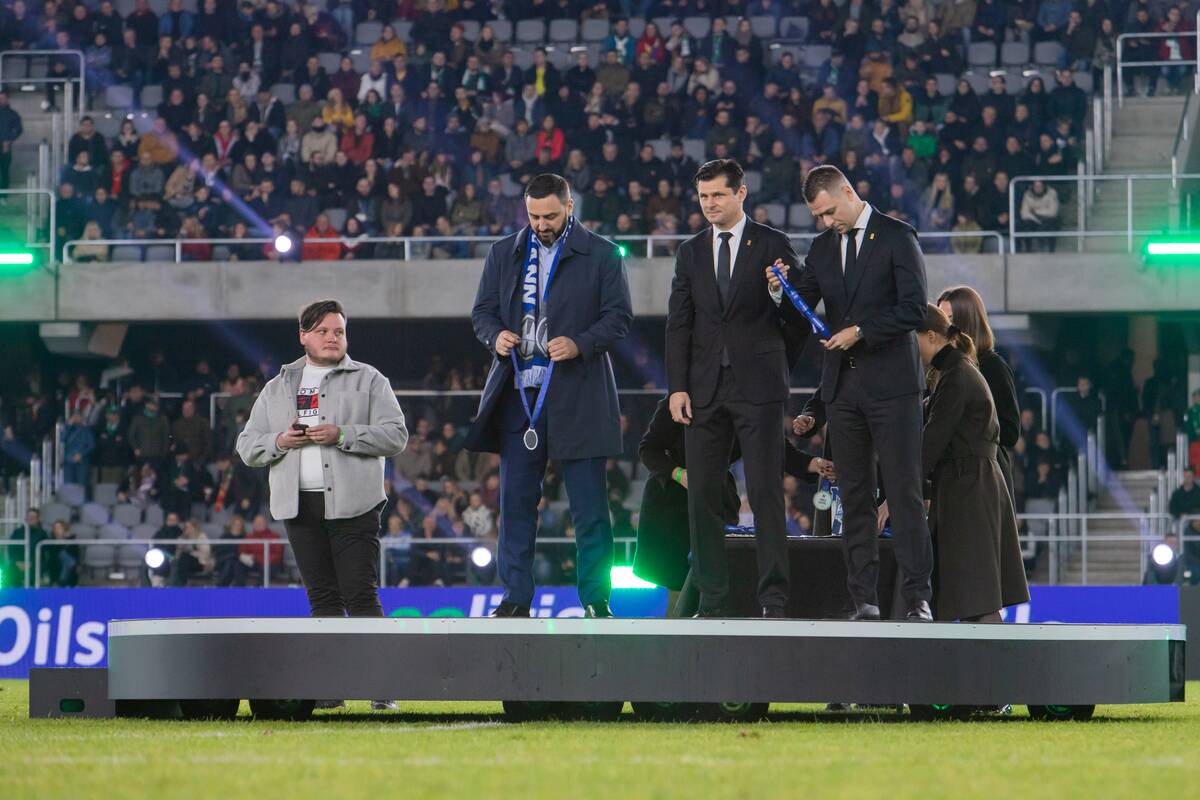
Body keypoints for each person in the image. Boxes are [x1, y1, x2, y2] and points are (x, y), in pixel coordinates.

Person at [466, 173, 632, 619]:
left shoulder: (602, 253)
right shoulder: (504, 252)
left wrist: (580, 343)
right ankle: (515, 598)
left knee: (590, 509)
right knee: (515, 505)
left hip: (578, 395)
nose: (541, 224)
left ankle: (596, 599)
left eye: (551, 216)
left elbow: (619, 318)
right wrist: (495, 336)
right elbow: (481, 313)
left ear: (570, 206)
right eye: (534, 216)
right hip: (519, 398)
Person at [237, 299, 408, 709]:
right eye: (324, 331)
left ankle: (381, 689)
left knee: (360, 595)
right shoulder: (276, 387)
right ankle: (331, 693)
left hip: (355, 505)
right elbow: (246, 446)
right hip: (298, 507)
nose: (333, 338)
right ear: (303, 335)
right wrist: (280, 440)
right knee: (322, 599)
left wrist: (343, 435)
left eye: (339, 332)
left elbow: (396, 435)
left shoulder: (370, 379)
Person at [785, 164, 934, 622]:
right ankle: (863, 601)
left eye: (830, 211)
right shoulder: (822, 247)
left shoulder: (897, 237)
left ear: (849, 192)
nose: (826, 222)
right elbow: (803, 301)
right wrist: (778, 289)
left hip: (894, 388)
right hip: (843, 391)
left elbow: (914, 309)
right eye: (818, 216)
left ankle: (917, 598)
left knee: (904, 493)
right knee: (853, 497)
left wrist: (861, 331)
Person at [664, 158, 809, 618]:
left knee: (765, 493)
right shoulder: (689, 252)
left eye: (718, 195)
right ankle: (712, 602)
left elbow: (799, 315)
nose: (709, 204)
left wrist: (778, 293)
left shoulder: (772, 243)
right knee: (703, 496)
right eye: (703, 196)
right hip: (703, 391)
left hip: (758, 387)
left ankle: (774, 599)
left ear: (740, 193)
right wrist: (677, 387)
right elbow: (678, 324)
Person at [634, 395, 835, 617]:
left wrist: (812, 464)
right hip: (671, 502)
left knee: (715, 578)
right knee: (677, 584)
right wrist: (680, 475)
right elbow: (648, 449)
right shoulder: (680, 398)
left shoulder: (748, 405)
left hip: (716, 497)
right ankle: (678, 631)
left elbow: (774, 447)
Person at [904, 303, 1029, 621]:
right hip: (968, 484)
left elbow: (931, 442)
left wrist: (896, 497)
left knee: (978, 596)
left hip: (971, 487)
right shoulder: (956, 371)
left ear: (931, 336)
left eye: (913, 340)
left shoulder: (956, 376)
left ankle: (995, 655)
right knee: (972, 594)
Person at [936, 287, 1019, 498]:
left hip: (985, 476)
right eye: (940, 319)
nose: (942, 328)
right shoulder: (939, 369)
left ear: (967, 321)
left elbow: (1010, 431)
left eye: (950, 319)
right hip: (950, 474)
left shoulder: (992, 366)